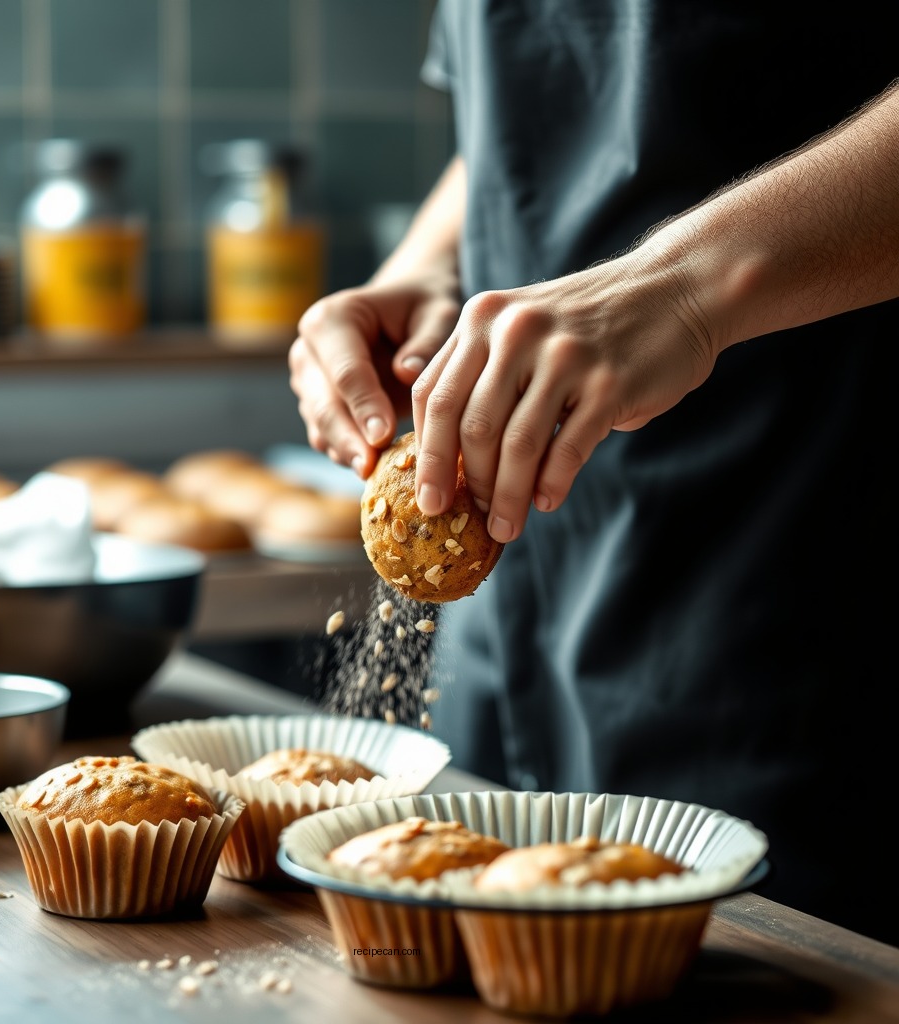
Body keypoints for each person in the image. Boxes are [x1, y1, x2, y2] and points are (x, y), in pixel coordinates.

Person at [289, 1, 899, 946]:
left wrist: (688, 285)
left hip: (791, 561)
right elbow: (541, 110)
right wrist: (429, 263)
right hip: (512, 607)